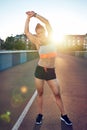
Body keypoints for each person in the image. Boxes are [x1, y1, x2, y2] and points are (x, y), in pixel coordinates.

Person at [24, 11, 72, 126]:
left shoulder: (51, 37)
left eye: (41, 33)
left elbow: (47, 22)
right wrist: (28, 19)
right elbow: (26, 32)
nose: (39, 35)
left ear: (45, 32)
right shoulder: (37, 41)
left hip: (51, 71)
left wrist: (35, 15)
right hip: (40, 70)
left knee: (57, 93)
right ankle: (40, 114)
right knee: (40, 93)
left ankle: (63, 115)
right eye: (38, 33)